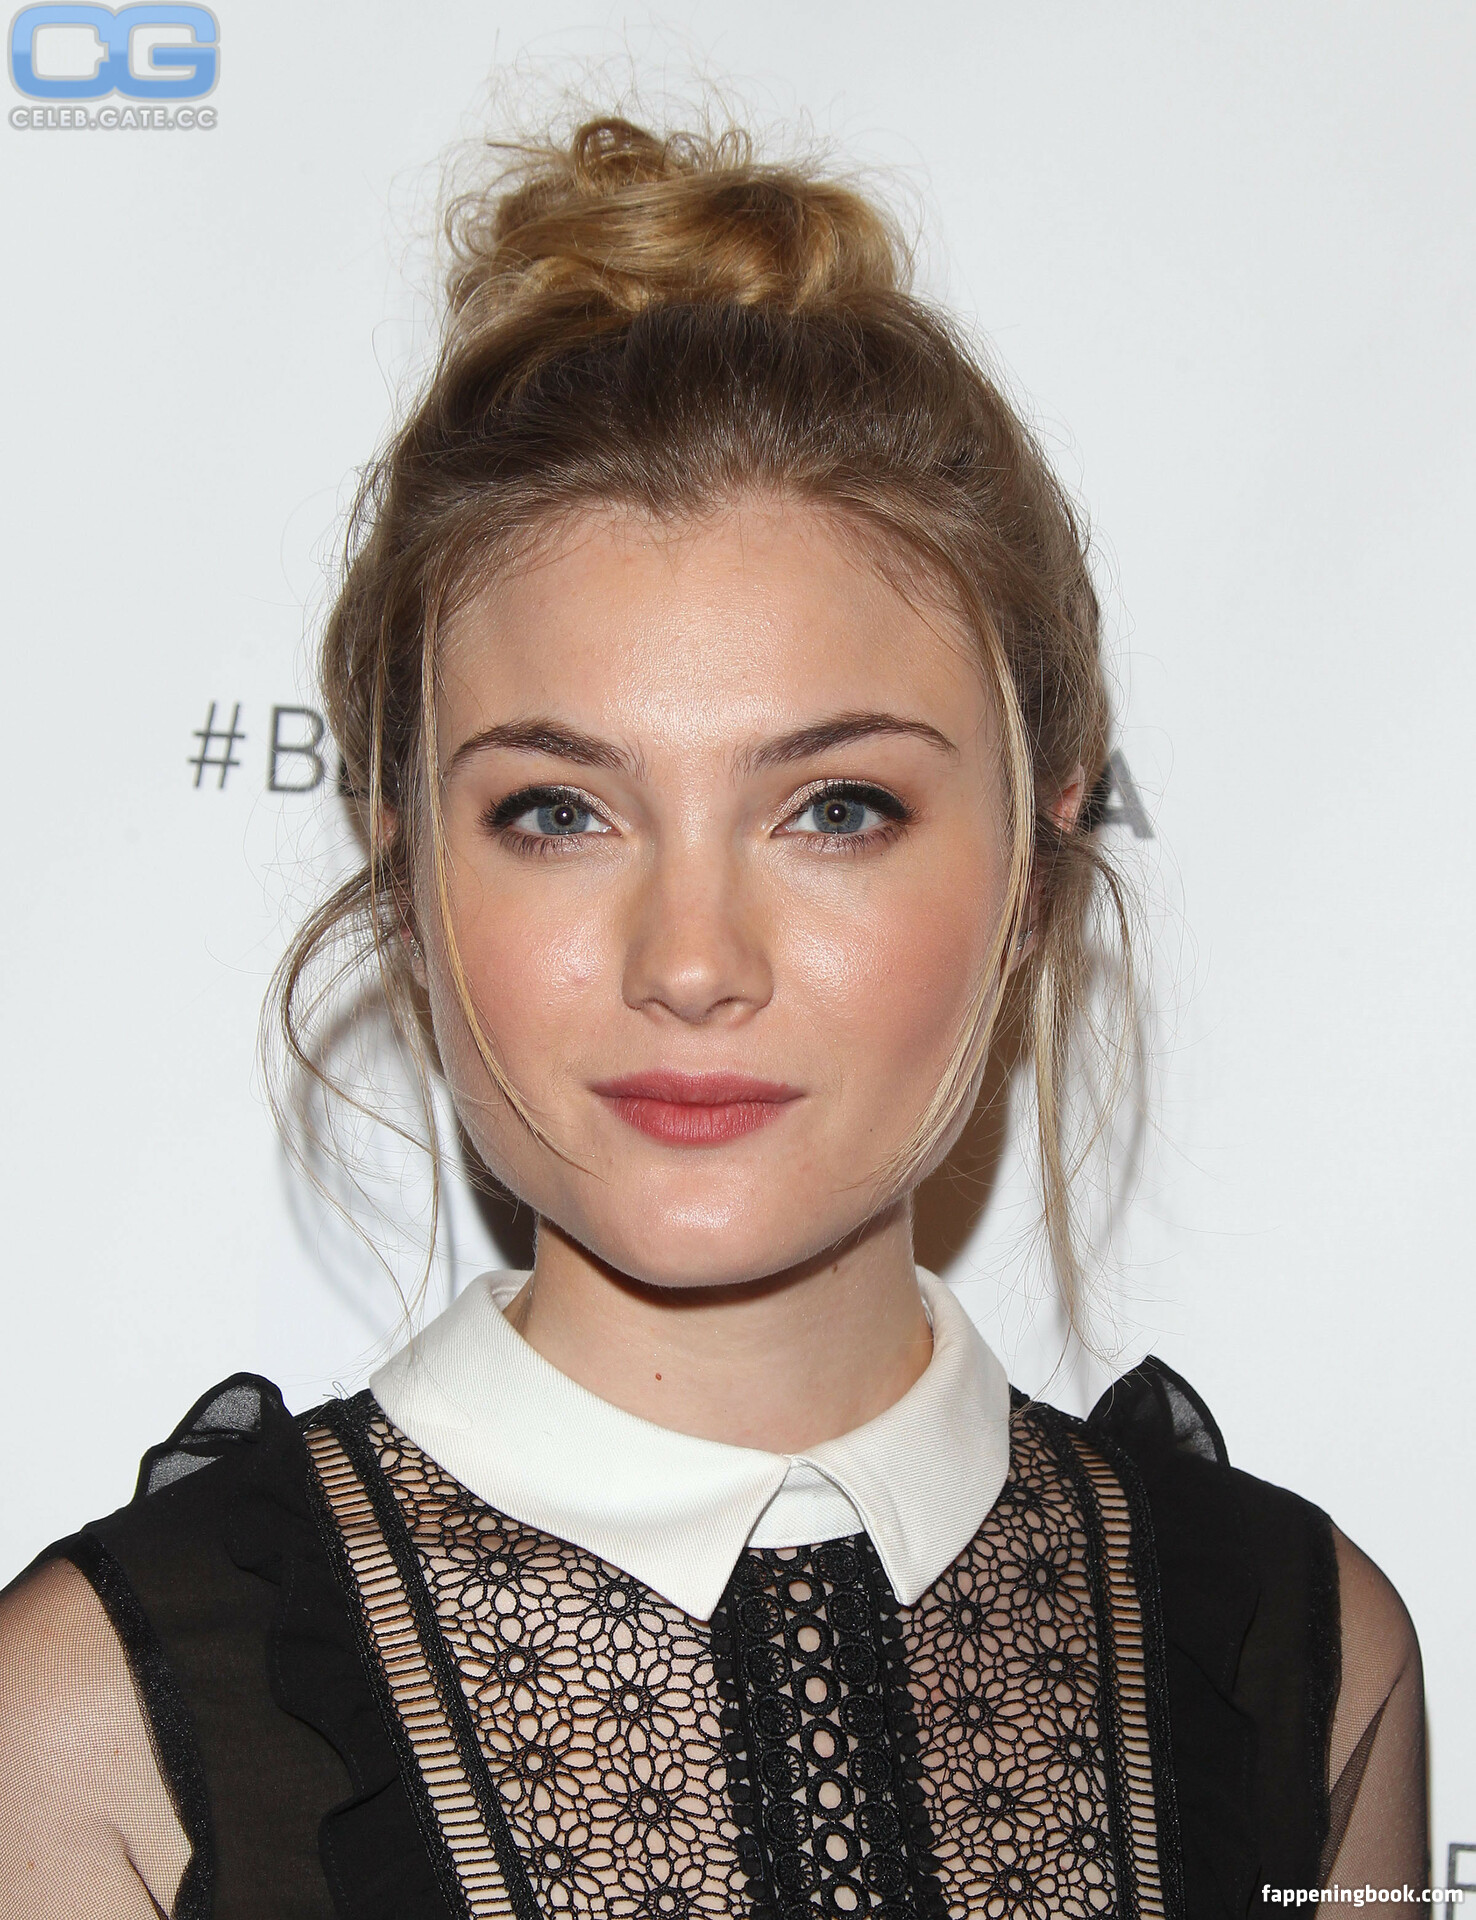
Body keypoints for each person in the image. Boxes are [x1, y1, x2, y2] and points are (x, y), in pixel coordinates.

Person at [0, 114, 1426, 1919]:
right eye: (556, 811)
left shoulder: (1304, 1657)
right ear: (407, 871)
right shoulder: (97, 1724)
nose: (690, 960)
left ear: (1038, 860)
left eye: (836, 808)